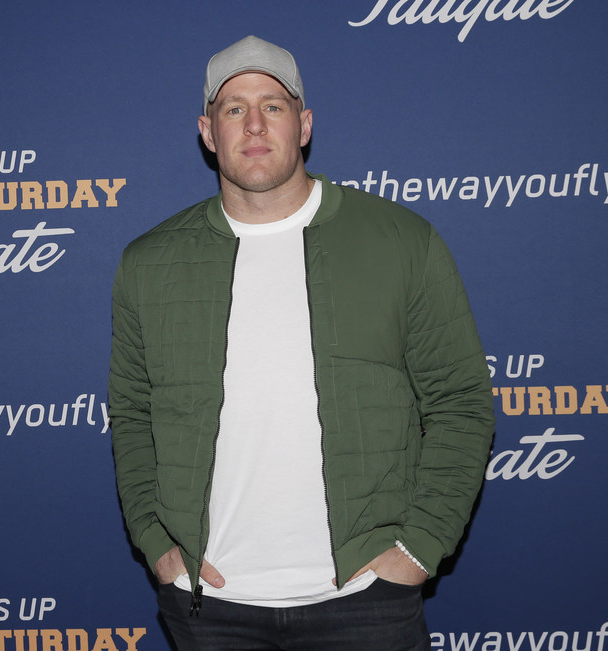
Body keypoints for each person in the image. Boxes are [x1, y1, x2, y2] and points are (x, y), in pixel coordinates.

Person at [109, 35, 495, 650]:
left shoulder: (402, 241)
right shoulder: (149, 263)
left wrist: (418, 549)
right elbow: (132, 417)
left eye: (274, 105)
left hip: (367, 601)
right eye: (234, 109)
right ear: (208, 132)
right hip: (209, 608)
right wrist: (158, 547)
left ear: (304, 124)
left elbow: (461, 404)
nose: (254, 124)